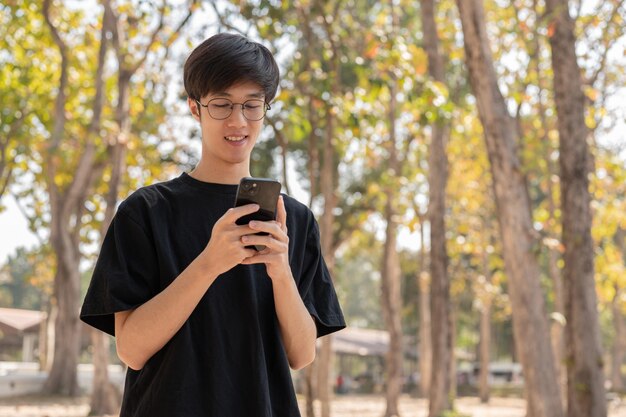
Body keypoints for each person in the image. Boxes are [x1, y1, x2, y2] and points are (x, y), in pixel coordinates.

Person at [80, 33, 346, 417]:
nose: (238, 121)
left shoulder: (295, 219)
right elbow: (132, 350)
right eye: (222, 104)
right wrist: (209, 263)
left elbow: (302, 355)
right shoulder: (146, 211)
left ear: (266, 109)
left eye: (252, 105)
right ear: (195, 107)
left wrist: (280, 272)